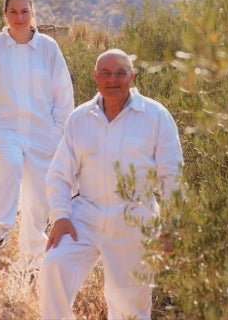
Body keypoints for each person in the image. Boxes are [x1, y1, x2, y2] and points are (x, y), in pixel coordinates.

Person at [39, 48, 183, 320]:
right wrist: (60, 216)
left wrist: (170, 226)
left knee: (129, 306)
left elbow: (172, 176)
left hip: (135, 221)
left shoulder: (156, 116)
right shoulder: (80, 118)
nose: (112, 79)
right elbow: (59, 173)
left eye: (120, 73)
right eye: (105, 73)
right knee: (53, 267)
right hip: (85, 215)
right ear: (95, 76)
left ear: (132, 77)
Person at [0, 0, 74, 264]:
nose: (19, 17)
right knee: (12, 165)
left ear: (32, 13)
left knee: (37, 200)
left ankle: (31, 262)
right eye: (13, 11)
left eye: (24, 11)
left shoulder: (48, 48)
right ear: (5, 14)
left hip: (42, 134)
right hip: (3, 128)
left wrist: (57, 129)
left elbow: (63, 93)